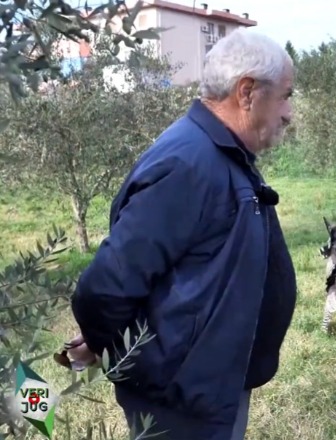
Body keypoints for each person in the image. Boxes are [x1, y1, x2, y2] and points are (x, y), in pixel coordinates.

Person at [66, 29, 298, 439]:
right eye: (285, 95)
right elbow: (105, 288)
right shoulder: (189, 164)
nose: (288, 113)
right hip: (179, 402)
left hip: (208, 391)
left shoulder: (220, 154)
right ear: (247, 92)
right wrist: (112, 349)